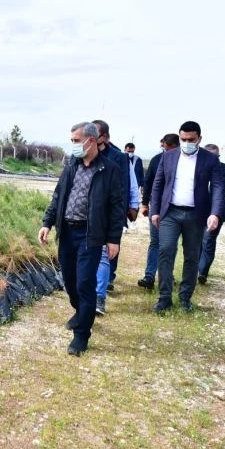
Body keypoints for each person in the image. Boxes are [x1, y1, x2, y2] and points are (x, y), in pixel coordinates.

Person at [38, 121, 124, 355]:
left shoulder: (109, 170)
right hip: (67, 231)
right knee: (70, 281)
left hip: (90, 235)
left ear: (92, 140)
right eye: (72, 141)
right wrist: (47, 223)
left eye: (76, 141)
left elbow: (117, 207)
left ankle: (82, 335)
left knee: (85, 283)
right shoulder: (71, 166)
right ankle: (80, 311)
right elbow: (58, 197)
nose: (73, 145)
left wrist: (114, 238)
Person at [149, 121, 225, 313]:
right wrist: (154, 211)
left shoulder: (210, 160)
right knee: (165, 250)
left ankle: (185, 298)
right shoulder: (168, 157)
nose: (187, 142)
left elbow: (217, 187)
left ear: (199, 138)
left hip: (196, 214)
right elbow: (158, 184)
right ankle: (164, 297)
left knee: (192, 256)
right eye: (183, 139)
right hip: (170, 213)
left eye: (191, 139)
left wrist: (215, 213)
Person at [92, 120, 139, 315]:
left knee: (104, 255)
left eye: (93, 134)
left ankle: (99, 296)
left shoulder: (119, 158)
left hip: (109, 212)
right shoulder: (82, 155)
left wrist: (132, 206)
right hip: (86, 214)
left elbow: (127, 184)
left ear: (104, 137)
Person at [137, 133, 180, 289]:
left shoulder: (182, 160)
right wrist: (144, 203)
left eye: (170, 149)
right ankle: (149, 276)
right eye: (165, 148)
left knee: (170, 245)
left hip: (174, 209)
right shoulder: (156, 160)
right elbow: (148, 183)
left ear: (177, 146)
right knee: (155, 242)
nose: (166, 151)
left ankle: (168, 275)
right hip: (157, 208)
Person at [197, 144, 225, 285]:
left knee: (208, 241)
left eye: (215, 156)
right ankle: (195, 268)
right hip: (197, 211)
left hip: (216, 212)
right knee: (195, 242)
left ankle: (202, 272)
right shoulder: (196, 167)